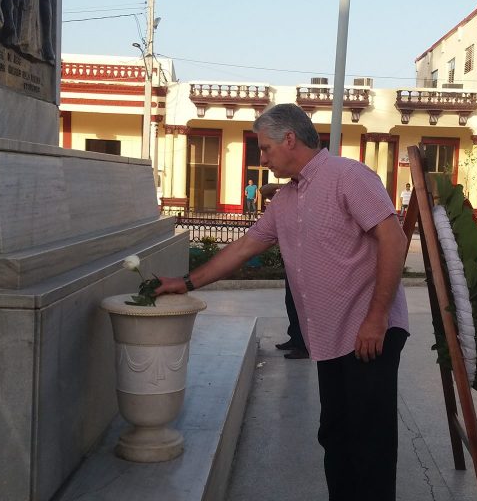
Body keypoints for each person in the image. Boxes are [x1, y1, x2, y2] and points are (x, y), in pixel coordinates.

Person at [155, 103, 409, 500]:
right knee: (336, 435)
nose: (263, 158)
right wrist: (186, 282)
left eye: (265, 148)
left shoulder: (348, 176)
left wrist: (376, 318)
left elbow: (394, 239)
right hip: (330, 336)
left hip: (368, 332)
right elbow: (242, 248)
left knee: (369, 441)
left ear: (289, 139)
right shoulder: (288, 199)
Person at [259, 183, 308, 360]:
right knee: (291, 301)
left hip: (306, 260)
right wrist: (288, 184)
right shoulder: (286, 197)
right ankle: (295, 338)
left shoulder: (307, 200)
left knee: (301, 304)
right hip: (291, 258)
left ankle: (304, 345)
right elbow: (264, 190)